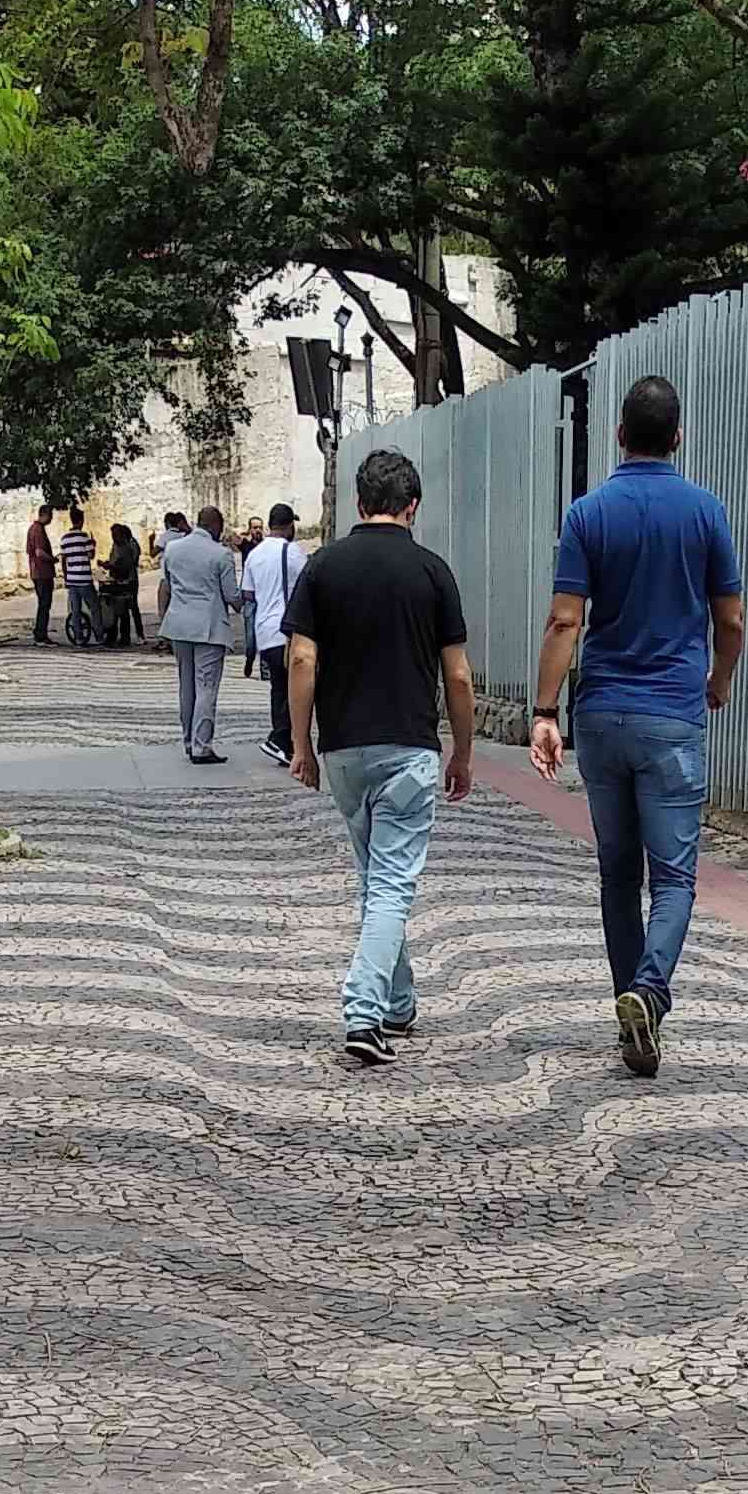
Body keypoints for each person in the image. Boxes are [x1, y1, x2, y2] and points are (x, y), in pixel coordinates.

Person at [529, 370, 744, 1078]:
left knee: (618, 875)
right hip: (673, 714)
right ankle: (649, 994)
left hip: (600, 715)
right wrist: (717, 681)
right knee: (674, 878)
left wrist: (545, 711)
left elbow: (566, 619)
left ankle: (633, 1018)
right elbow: (731, 619)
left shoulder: (587, 514)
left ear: (619, 434)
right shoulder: (706, 512)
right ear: (677, 437)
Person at [286, 443, 473, 1068]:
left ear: (359, 502)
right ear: (412, 505)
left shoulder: (322, 568)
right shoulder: (432, 572)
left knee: (377, 878)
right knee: (391, 882)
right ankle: (364, 1013)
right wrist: (463, 752)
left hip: (343, 748)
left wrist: (301, 742)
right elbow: (458, 676)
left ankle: (398, 1002)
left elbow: (302, 659)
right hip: (409, 749)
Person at [158, 503, 247, 762]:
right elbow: (231, 595)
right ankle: (201, 746)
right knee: (206, 687)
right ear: (216, 525)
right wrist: (246, 601)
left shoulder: (173, 549)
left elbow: (168, 584)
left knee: (186, 687)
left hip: (179, 625)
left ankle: (188, 741)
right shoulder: (221, 554)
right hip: (208, 627)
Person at [243, 502, 308, 763]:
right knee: (295, 688)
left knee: (279, 688)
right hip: (286, 631)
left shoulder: (255, 554)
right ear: (289, 526)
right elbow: (308, 586)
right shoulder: (292, 552)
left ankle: (284, 745)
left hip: (264, 631)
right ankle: (280, 739)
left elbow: (248, 593)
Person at [58, 513, 98, 648]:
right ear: (81, 521)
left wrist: (66, 577)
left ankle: (79, 638)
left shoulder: (64, 539)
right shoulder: (84, 537)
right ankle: (99, 636)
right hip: (84, 579)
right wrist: (93, 545)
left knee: (75, 610)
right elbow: (91, 555)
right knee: (94, 607)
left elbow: (63, 560)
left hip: (72, 579)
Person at [104, 519, 142, 646]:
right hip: (116, 579)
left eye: (115, 535)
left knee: (126, 609)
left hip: (128, 581)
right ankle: (113, 635)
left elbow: (128, 564)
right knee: (115, 609)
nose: (113, 538)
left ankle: (130, 636)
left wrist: (112, 566)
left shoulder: (128, 546)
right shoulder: (116, 546)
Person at [26, 505, 57, 646]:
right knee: (45, 604)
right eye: (50, 515)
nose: (51, 519)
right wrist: (52, 559)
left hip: (37, 572)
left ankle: (39, 633)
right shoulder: (38, 530)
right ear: (45, 515)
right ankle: (41, 636)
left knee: (43, 604)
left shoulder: (33, 529)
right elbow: (39, 552)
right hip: (42, 572)